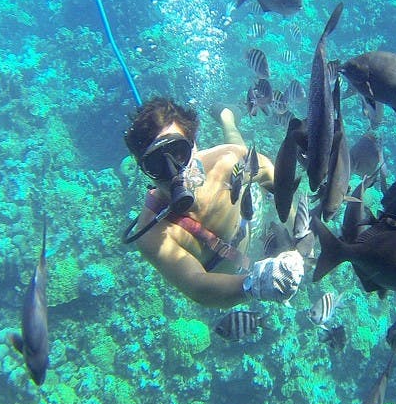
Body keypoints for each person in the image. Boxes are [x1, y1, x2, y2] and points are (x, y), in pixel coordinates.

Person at [122, 96, 304, 307]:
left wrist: (297, 239)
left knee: (239, 153)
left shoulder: (226, 160)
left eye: (178, 153)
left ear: (194, 145)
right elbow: (198, 286)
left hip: (248, 205)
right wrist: (255, 284)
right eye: (156, 164)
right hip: (236, 262)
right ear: (145, 172)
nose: (173, 173)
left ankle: (227, 118)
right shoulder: (152, 234)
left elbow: (276, 180)